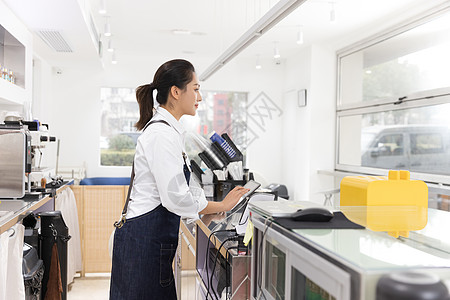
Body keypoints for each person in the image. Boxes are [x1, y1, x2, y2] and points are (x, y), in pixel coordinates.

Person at [109, 59, 248, 300]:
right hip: (143, 247)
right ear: (175, 92)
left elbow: (181, 190)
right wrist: (223, 206)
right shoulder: (161, 134)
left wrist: (207, 212)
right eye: (195, 89)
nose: (200, 97)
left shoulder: (168, 131)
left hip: (148, 245)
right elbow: (176, 198)